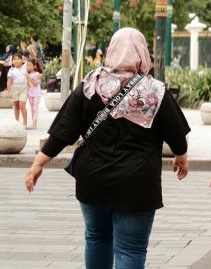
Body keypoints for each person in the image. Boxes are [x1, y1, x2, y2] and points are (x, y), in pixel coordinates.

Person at [24, 28, 191, 269]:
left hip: (93, 180)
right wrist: (181, 158)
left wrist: (38, 163)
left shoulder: (90, 85)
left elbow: (63, 131)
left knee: (96, 238)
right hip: (137, 183)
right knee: (130, 249)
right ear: (143, 53)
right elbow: (177, 135)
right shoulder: (155, 91)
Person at [7, 54, 28, 127]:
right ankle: (16, 122)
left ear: (22, 60)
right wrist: (9, 92)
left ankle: (25, 122)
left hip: (23, 88)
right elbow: (9, 82)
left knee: (22, 105)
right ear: (12, 61)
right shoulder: (11, 70)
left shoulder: (25, 67)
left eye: (18, 59)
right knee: (16, 106)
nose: (16, 61)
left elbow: (30, 60)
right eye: (14, 59)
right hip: (14, 88)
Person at [26, 58, 42, 130]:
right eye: (27, 66)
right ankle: (33, 122)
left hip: (36, 93)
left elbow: (36, 83)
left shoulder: (37, 74)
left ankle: (34, 123)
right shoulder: (27, 74)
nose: (28, 67)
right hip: (30, 93)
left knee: (35, 108)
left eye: (30, 65)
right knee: (32, 108)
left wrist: (30, 79)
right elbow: (28, 85)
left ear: (34, 66)